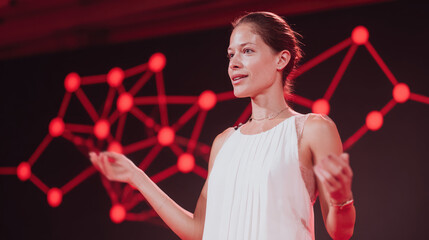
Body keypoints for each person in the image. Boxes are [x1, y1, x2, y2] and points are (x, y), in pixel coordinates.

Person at [89, 11, 355, 240]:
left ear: (281, 59)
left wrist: (342, 198)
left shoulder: (312, 129)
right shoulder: (224, 142)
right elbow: (198, 231)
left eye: (247, 51)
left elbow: (340, 233)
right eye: (231, 54)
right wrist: (136, 176)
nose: (233, 63)